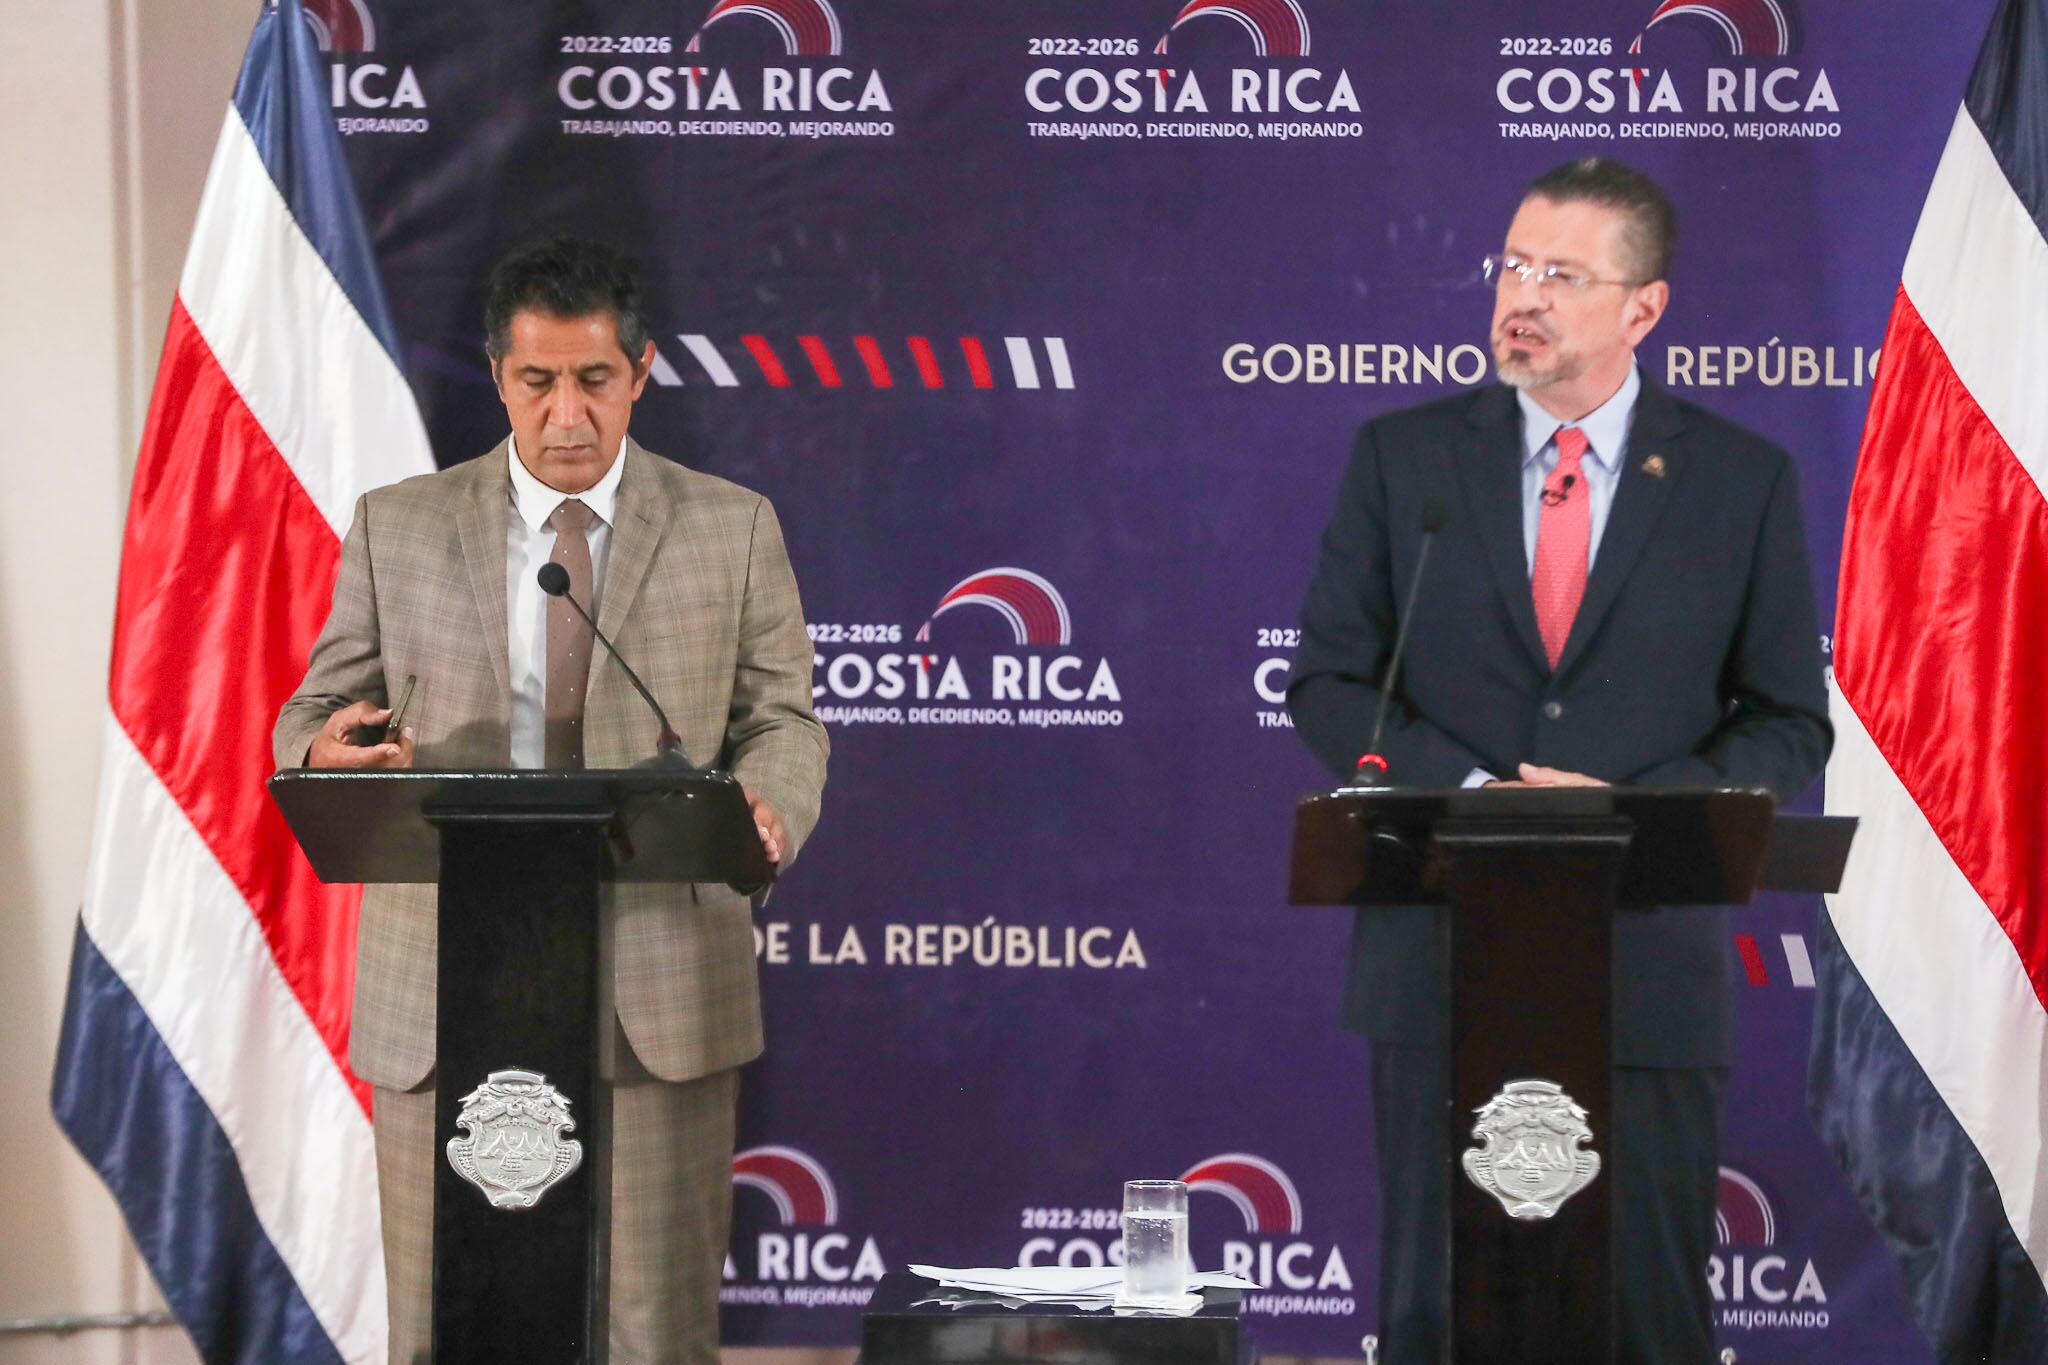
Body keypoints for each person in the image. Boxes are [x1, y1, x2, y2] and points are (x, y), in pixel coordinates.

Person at [1287, 158, 1830, 1363]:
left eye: (1563, 276)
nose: (1521, 297)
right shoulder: (1403, 460)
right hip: (1437, 960)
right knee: (1437, 1316)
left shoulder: (1739, 481)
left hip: (1643, 970)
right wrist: (1477, 800)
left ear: (1643, 308)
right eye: (1513, 265)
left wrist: (1626, 812)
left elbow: (1787, 720)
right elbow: (1326, 681)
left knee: (1643, 1317)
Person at [273, 236, 829, 1364]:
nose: (566, 415)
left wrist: (768, 804)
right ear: (497, 375)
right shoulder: (398, 523)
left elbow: (782, 718)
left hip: (657, 990)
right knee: (447, 1330)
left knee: (653, 1337)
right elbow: (316, 712)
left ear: (640, 372)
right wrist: (325, 748)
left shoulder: (732, 526)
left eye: (594, 380)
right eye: (537, 381)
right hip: (445, 991)